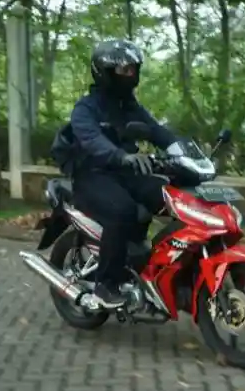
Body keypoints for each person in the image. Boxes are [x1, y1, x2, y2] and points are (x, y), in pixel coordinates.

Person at [65, 39, 178, 308]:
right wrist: (121, 156)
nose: (130, 75)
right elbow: (92, 140)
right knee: (122, 210)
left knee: (171, 197)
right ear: (104, 72)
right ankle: (105, 284)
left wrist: (182, 150)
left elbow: (156, 130)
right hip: (92, 175)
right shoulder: (86, 109)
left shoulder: (130, 106)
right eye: (124, 70)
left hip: (125, 173)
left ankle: (154, 267)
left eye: (133, 69)